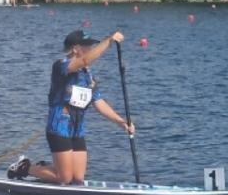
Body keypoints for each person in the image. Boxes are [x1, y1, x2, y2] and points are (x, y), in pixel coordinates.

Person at [8, 29, 134, 186]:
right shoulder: (61, 66)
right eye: (87, 46)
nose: (90, 49)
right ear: (75, 48)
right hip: (59, 125)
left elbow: (99, 102)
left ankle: (46, 168)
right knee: (65, 179)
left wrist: (122, 122)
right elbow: (84, 61)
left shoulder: (87, 76)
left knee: (78, 179)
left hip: (77, 128)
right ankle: (25, 167)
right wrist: (108, 41)